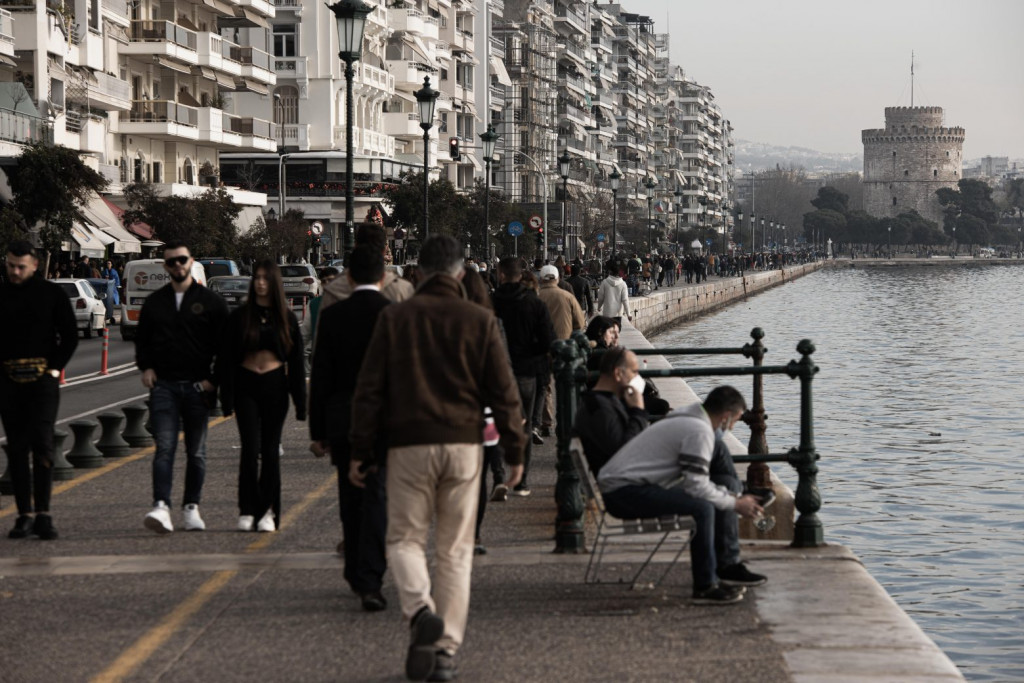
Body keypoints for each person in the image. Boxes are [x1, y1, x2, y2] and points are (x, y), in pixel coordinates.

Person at [350, 235, 526, 682]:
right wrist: (514, 448)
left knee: (405, 540)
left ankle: (419, 610)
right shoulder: (480, 319)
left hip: (408, 444)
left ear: (420, 273)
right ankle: (444, 651)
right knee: (454, 551)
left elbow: (369, 391)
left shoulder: (394, 318)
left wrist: (361, 449)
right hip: (465, 446)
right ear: (461, 273)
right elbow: (503, 392)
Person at [597, 386, 768, 604]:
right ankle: (705, 586)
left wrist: (730, 496)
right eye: (735, 421)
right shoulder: (699, 431)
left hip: (629, 485)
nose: (733, 427)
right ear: (725, 417)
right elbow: (696, 487)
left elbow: (696, 482)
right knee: (702, 508)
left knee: (723, 485)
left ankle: (726, 565)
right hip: (623, 493)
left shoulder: (689, 415)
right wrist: (734, 504)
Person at [309, 246, 391, 612]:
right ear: (384, 277)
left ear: (350, 278)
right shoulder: (394, 315)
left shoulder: (334, 315)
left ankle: (357, 566)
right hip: (386, 419)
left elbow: (321, 375)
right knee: (378, 495)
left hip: (343, 419)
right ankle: (370, 575)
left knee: (350, 494)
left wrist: (318, 430)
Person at [135, 241, 229, 534]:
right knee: (164, 448)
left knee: (197, 452)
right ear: (166, 266)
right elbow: (143, 341)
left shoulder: (211, 302)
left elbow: (227, 347)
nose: (177, 265)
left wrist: (213, 380)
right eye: (172, 262)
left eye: (182, 260)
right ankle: (161, 506)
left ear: (191, 261)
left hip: (198, 387)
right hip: (163, 385)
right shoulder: (155, 302)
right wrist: (146, 367)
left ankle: (191, 507)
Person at [220, 260, 306, 534]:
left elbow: (296, 363)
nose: (260, 283)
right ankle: (246, 509)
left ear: (274, 283)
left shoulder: (286, 317)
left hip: (274, 387)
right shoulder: (240, 316)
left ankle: (268, 510)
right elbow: (226, 359)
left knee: (270, 451)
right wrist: (226, 397)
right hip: (246, 385)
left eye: (265, 278)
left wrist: (301, 404)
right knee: (249, 449)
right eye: (256, 277)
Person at [1, 240, 78, 540]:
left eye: (21, 267)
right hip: (8, 382)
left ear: (34, 265)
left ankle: (44, 514)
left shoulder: (52, 294)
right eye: (10, 266)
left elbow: (70, 336)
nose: (15, 272)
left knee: (43, 444)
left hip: (42, 381)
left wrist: (54, 370)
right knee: (17, 449)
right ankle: (23, 515)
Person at [492, 257, 555, 497]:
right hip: (528, 371)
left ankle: (499, 476)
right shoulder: (534, 304)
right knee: (526, 425)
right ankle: (521, 482)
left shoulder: (492, 301)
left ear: (500, 274)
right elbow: (549, 341)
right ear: (521, 275)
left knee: (496, 425)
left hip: (498, 373)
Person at [573, 347, 647, 476]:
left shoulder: (602, 401)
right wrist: (638, 411)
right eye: (634, 371)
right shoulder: (600, 408)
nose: (637, 377)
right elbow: (624, 452)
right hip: (621, 483)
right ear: (618, 373)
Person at [535, 264, 585, 439]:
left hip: (542, 347)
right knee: (565, 385)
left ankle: (546, 422)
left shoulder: (536, 297)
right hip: (565, 347)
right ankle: (565, 423)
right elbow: (580, 323)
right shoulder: (567, 296)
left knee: (545, 386)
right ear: (557, 278)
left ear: (540, 279)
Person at [597, 260, 631, 326]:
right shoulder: (623, 284)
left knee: (608, 333)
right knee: (616, 333)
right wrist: (628, 314)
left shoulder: (605, 282)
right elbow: (625, 300)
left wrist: (599, 307)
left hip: (607, 313)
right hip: (618, 314)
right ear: (618, 273)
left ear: (610, 272)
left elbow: (600, 297)